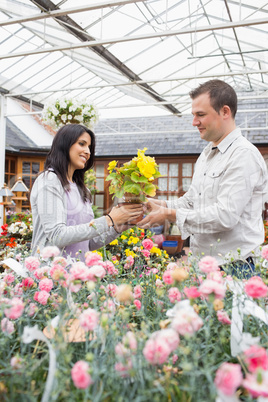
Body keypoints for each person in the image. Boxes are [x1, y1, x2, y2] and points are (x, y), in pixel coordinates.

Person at [139, 79, 268, 275]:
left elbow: (225, 216)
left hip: (236, 267)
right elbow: (192, 201)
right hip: (206, 265)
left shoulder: (243, 155)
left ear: (225, 111)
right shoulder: (207, 154)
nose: (194, 122)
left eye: (200, 115)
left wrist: (169, 215)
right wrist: (161, 205)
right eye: (193, 115)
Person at [30, 124, 143, 261]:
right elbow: (57, 235)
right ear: (64, 144)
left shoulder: (81, 189)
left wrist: (117, 227)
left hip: (78, 276)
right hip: (51, 275)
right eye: (82, 144)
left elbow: (88, 243)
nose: (88, 151)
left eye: (89, 147)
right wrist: (108, 219)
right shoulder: (49, 180)